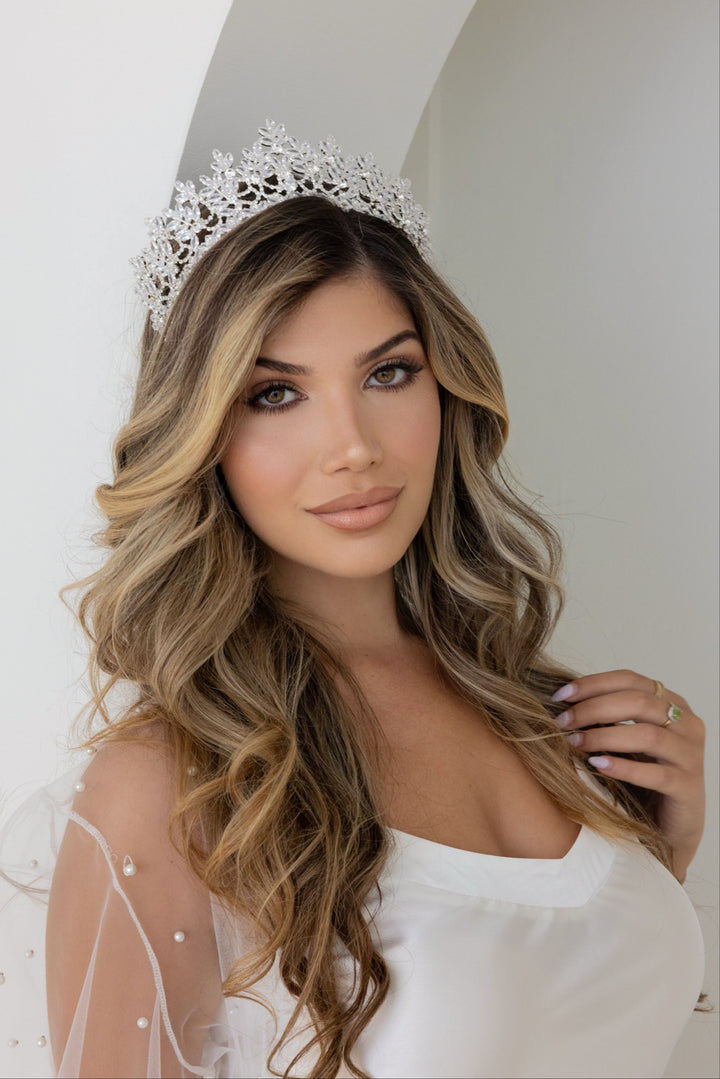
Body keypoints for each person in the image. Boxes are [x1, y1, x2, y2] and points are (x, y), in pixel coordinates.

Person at [0, 121, 707, 1079]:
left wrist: (656, 859)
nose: (354, 445)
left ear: (445, 388)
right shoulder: (171, 789)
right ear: (203, 432)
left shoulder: (539, 710)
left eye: (387, 373)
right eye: (275, 395)